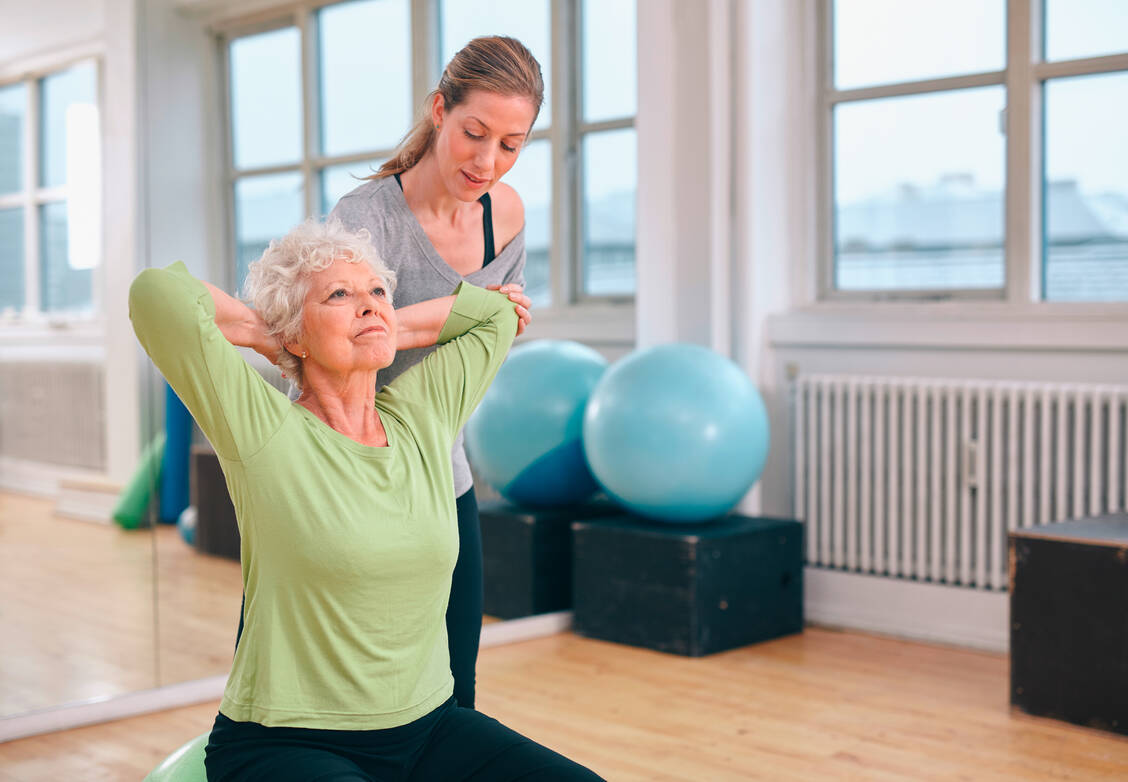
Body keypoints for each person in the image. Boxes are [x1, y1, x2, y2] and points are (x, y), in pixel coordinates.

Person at [129, 219, 601, 781]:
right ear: (296, 335)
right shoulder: (263, 430)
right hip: (287, 743)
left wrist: (385, 329)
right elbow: (155, 296)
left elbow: (497, 316)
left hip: (431, 729)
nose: (369, 305)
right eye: (339, 295)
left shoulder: (423, 416)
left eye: (377, 291)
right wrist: (268, 334)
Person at [329, 34, 542, 710]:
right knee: (341, 678)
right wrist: (472, 310)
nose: (488, 161)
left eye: (510, 145)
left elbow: (478, 351)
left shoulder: (503, 216)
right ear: (439, 110)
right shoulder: (364, 222)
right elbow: (342, 346)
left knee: (456, 684)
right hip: (347, 473)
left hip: (439, 468)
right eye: (474, 133)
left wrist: (490, 321)